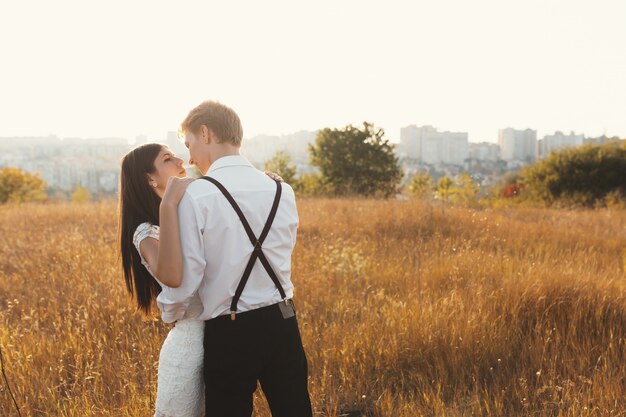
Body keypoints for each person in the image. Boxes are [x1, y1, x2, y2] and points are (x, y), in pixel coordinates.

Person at [157, 100, 313, 416]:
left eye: (189, 144)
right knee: (295, 410)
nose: (188, 156)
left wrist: (169, 312)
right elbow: (283, 253)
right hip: (283, 320)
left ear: (205, 132)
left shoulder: (196, 196)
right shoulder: (283, 189)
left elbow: (189, 277)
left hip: (231, 329)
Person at [119, 143, 284, 417]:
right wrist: (169, 204)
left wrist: (266, 184)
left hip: (226, 338)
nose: (180, 160)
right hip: (188, 347)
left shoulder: (192, 211)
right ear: (151, 178)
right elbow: (173, 276)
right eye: (168, 159)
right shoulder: (145, 233)